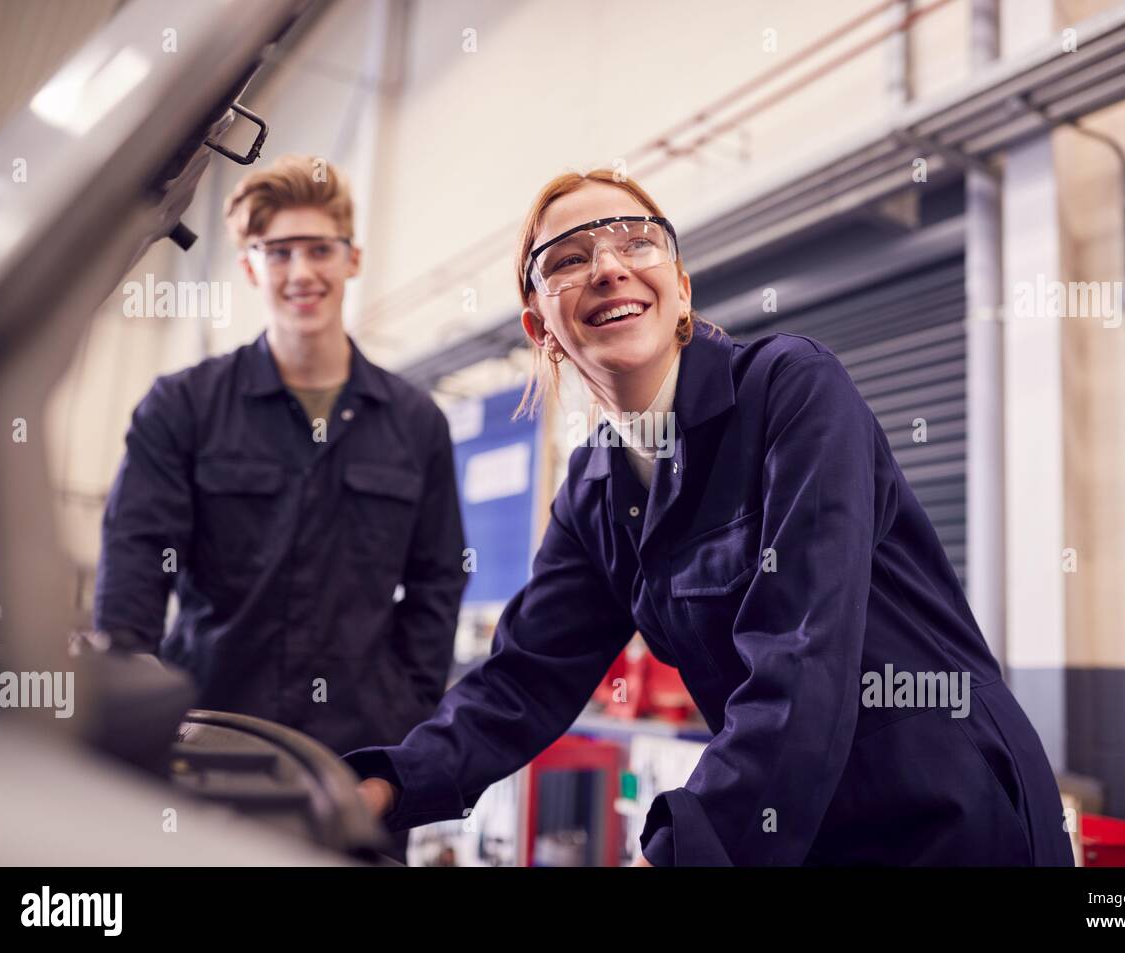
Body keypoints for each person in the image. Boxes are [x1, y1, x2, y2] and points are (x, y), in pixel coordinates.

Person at [346, 168, 1073, 867]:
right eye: (568, 258)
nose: (608, 267)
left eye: (636, 242)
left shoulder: (791, 390)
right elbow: (521, 683)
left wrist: (683, 851)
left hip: (943, 808)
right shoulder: (596, 490)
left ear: (682, 289)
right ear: (542, 328)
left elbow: (802, 651)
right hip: (797, 832)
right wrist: (380, 788)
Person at [94, 154, 466, 767]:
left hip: (360, 755)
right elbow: (135, 553)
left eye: (320, 250)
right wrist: (129, 683)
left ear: (353, 258)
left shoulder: (415, 422)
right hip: (207, 739)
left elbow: (438, 579)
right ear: (249, 266)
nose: (301, 272)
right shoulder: (183, 407)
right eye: (279, 252)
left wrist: (409, 704)